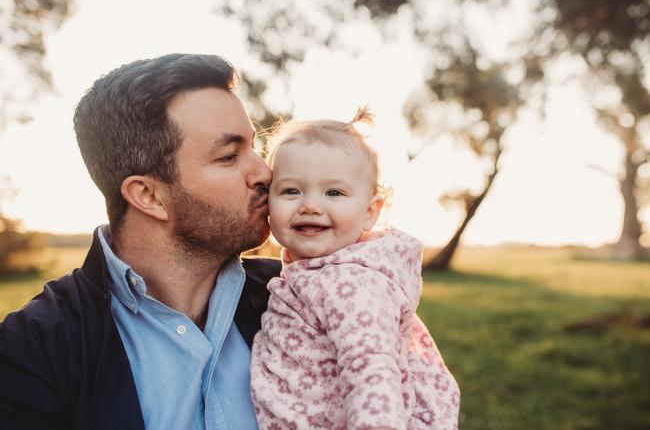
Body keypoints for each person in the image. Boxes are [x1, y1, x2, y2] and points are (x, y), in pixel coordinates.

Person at [0, 54, 281, 430]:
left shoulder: (297, 297)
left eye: (255, 148)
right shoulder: (32, 351)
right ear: (149, 196)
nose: (264, 172)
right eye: (229, 156)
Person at [250, 108, 460, 430]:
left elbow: (371, 371)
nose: (310, 205)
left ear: (370, 212)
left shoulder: (351, 282)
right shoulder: (313, 274)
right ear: (268, 201)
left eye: (334, 192)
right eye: (291, 190)